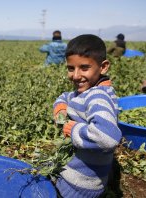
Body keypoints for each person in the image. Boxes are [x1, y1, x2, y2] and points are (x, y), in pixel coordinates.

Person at [52, 34, 122, 197]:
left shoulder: (97, 97)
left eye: (84, 68)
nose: (76, 75)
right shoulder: (85, 92)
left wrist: (74, 129)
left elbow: (107, 137)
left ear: (103, 67)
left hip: (81, 183)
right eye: (71, 68)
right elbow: (65, 96)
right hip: (76, 174)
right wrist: (61, 108)